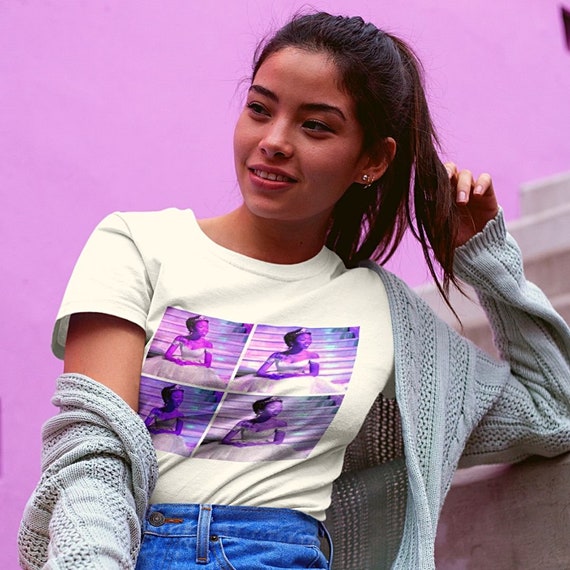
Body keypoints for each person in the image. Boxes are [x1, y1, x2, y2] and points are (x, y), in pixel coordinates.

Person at [18, 11, 570, 570]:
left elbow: (554, 411)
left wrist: (487, 262)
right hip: (129, 548)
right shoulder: (139, 247)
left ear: (372, 160)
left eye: (316, 126)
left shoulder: (383, 312)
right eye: (260, 109)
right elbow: (93, 454)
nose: (274, 141)